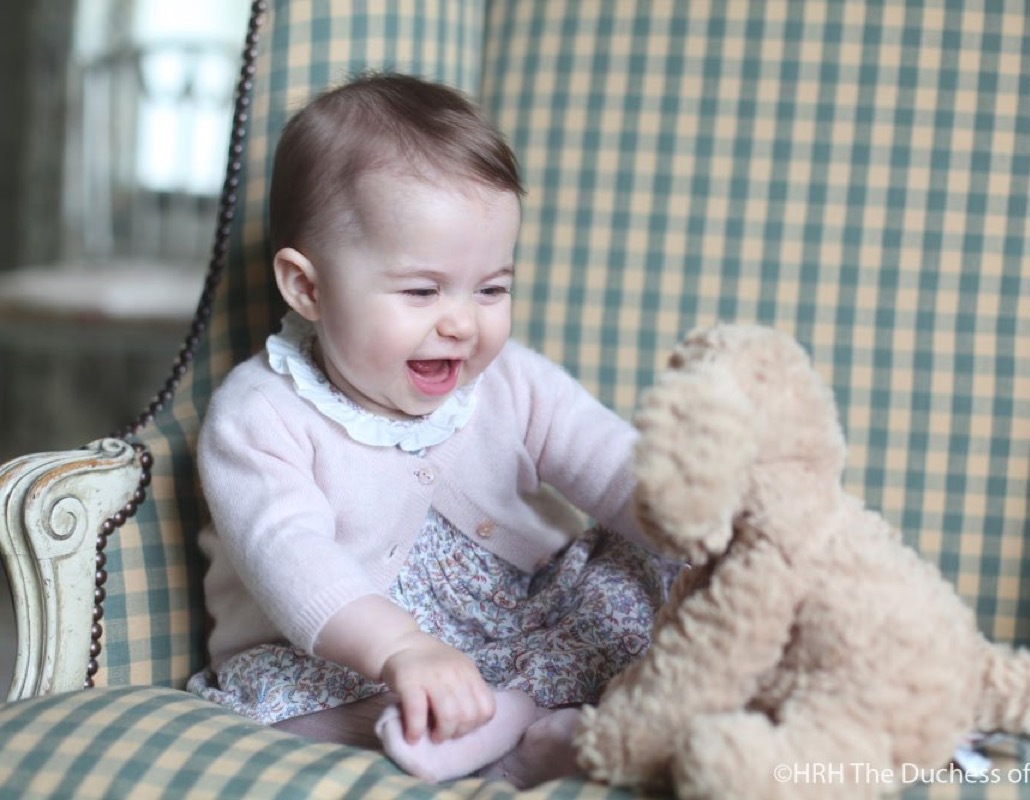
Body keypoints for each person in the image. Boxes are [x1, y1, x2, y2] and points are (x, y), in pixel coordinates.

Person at [186, 72, 674, 788]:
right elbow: (290, 556)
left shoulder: (512, 382)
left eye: (492, 288)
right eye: (422, 290)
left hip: (526, 609)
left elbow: (609, 462)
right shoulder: (258, 417)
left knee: (643, 581)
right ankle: (497, 734)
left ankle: (529, 717)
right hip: (351, 648)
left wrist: (693, 519)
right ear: (309, 287)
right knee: (287, 708)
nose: (461, 321)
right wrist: (402, 649)